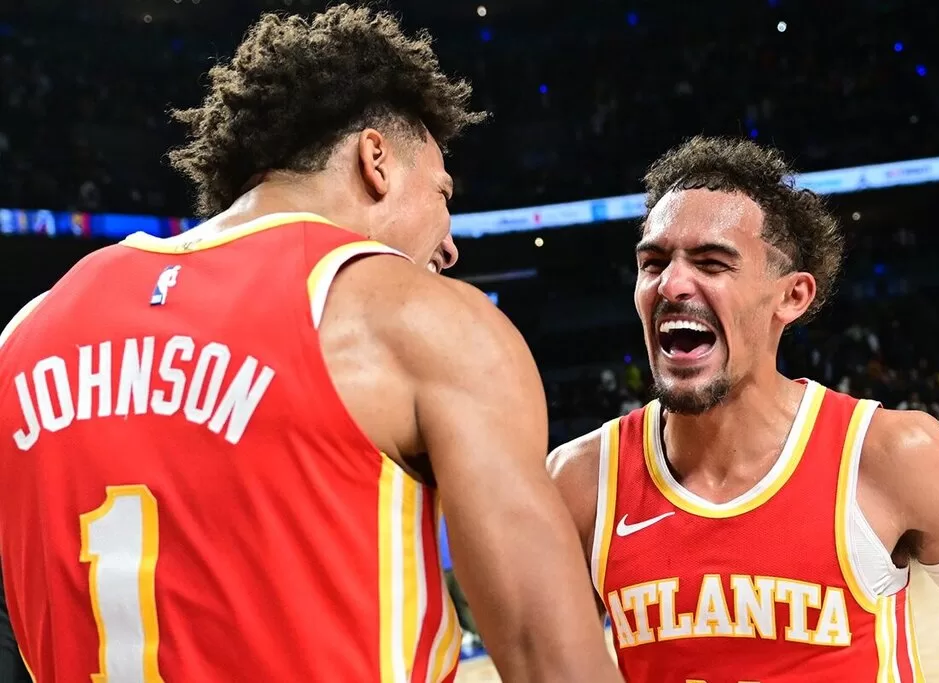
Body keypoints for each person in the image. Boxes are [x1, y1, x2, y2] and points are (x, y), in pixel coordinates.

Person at [0, 6, 620, 683]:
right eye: (442, 195)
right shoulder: (412, 321)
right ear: (375, 159)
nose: (449, 243)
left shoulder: (29, 331)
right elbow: (550, 658)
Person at [547, 136, 939, 681]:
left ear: (792, 297)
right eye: (653, 262)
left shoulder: (893, 454)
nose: (672, 283)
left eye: (711, 262)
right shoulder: (580, 481)